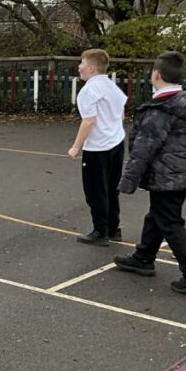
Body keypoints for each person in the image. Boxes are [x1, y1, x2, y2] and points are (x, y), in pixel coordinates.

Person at [114, 51, 186, 295]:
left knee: (169, 221)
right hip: (183, 170)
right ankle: (144, 257)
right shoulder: (182, 102)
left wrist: (128, 181)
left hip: (169, 174)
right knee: (158, 215)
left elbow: (144, 148)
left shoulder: (161, 109)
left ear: (156, 75)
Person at [67, 49, 127, 245]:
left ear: (91, 68)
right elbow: (121, 114)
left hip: (98, 148)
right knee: (112, 187)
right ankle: (113, 228)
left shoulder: (88, 91)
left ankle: (100, 231)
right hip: (116, 143)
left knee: (95, 191)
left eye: (82, 63)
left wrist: (76, 147)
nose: (79, 67)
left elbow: (89, 121)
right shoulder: (111, 86)